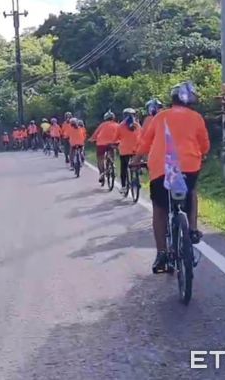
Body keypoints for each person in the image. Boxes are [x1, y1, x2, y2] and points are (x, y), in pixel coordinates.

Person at [134, 82, 210, 273]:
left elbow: (145, 142)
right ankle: (192, 229)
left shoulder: (160, 116)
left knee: (159, 209)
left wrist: (135, 159)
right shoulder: (197, 117)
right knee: (191, 191)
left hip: (162, 168)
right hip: (189, 166)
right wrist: (201, 153)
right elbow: (205, 145)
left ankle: (161, 253)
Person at [114, 107, 142, 194]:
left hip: (124, 151)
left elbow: (116, 138)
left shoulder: (121, 125)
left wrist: (115, 143)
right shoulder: (137, 125)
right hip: (136, 150)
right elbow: (141, 136)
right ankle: (138, 178)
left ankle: (123, 186)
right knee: (136, 164)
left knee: (124, 168)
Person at [90, 110, 120, 185]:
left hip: (101, 144)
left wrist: (91, 139)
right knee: (112, 151)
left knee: (100, 158)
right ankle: (113, 164)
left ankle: (101, 174)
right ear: (113, 118)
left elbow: (95, 134)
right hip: (113, 143)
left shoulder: (102, 125)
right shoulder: (117, 125)